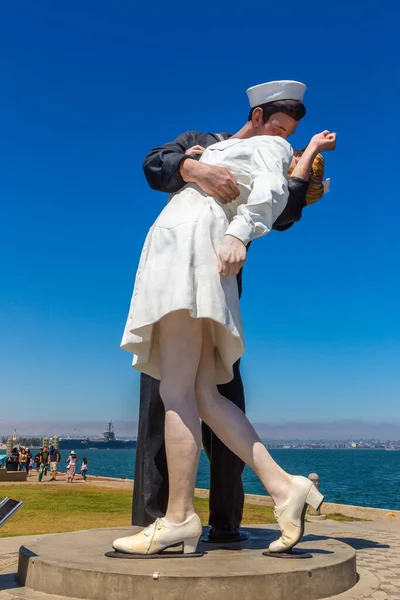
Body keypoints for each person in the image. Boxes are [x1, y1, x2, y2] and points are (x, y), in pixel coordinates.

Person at [114, 80, 336, 556]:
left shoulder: (269, 145)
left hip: (193, 252)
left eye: (289, 132)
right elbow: (157, 164)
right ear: (256, 116)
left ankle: (177, 519)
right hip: (187, 249)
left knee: (177, 389)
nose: (282, 137)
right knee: (201, 394)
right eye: (277, 126)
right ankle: (283, 488)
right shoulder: (219, 144)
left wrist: (238, 230)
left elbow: (278, 195)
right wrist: (195, 164)